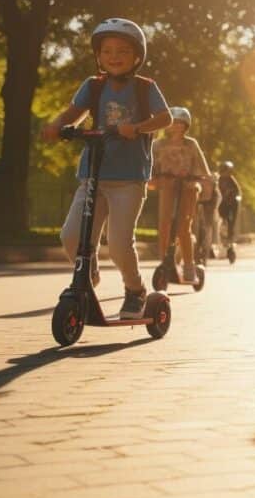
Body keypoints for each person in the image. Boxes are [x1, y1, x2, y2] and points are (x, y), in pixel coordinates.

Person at [41, 18, 171, 319]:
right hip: (93, 174)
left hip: (128, 179)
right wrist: (59, 126)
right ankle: (88, 273)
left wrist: (137, 128)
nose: (114, 56)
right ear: (98, 56)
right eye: (107, 50)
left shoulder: (145, 88)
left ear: (137, 56)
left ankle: (135, 289)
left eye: (122, 51)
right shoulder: (93, 86)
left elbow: (164, 118)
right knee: (72, 236)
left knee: (118, 245)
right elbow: (75, 112)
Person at [150, 107, 212, 283]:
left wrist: (203, 182)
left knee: (183, 227)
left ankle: (189, 265)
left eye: (180, 123)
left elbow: (203, 169)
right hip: (166, 187)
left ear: (186, 125)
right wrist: (151, 179)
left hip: (188, 188)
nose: (176, 126)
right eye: (173, 122)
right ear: (167, 125)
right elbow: (150, 167)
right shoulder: (158, 144)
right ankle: (164, 262)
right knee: (164, 224)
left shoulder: (191, 144)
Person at [217, 161, 242, 250]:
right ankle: (222, 237)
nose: (226, 173)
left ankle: (230, 238)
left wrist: (235, 198)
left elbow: (238, 191)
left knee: (232, 221)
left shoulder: (231, 180)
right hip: (222, 204)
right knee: (222, 220)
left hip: (232, 204)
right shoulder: (218, 180)